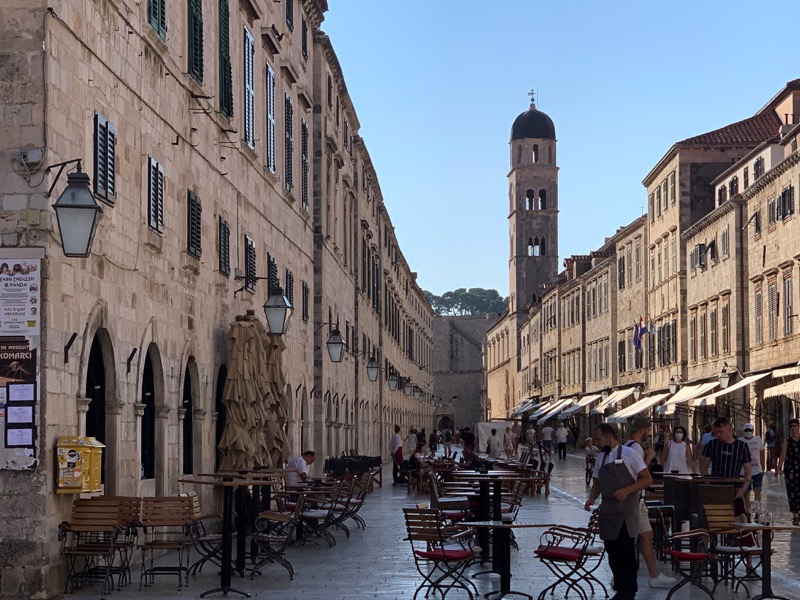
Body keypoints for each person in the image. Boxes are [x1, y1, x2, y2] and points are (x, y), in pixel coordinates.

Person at [585, 423, 652, 600]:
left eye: (598, 439)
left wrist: (627, 490)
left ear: (609, 437)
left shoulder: (630, 455)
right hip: (608, 511)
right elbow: (597, 483)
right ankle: (620, 589)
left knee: (625, 550)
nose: (596, 443)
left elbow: (646, 479)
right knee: (612, 550)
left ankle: (628, 592)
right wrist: (592, 497)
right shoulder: (601, 458)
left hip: (626, 511)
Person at [623, 416, 675, 588]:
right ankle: (652, 576)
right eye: (647, 430)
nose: (648, 434)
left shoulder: (627, 446)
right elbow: (639, 475)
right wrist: (650, 457)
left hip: (636, 500)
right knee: (643, 537)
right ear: (642, 430)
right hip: (636, 500)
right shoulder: (636, 448)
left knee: (645, 536)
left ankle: (650, 575)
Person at [700, 417, 751, 500]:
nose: (718, 434)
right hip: (715, 486)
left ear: (729, 429)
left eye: (721, 431)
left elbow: (748, 471)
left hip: (734, 487)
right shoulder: (711, 445)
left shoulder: (742, 446)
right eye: (716, 432)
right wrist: (708, 483)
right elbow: (703, 467)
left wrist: (743, 489)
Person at [776, 418, 800, 525]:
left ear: (798, 426)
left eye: (795, 425)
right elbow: (783, 454)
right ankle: (795, 515)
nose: (793, 428)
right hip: (790, 470)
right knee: (791, 492)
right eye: (791, 426)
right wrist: (778, 467)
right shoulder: (787, 441)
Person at [738, 422, 765, 503]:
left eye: (749, 430)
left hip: (757, 470)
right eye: (746, 430)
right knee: (746, 492)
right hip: (744, 471)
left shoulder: (758, 439)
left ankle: (757, 511)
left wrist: (763, 468)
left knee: (757, 490)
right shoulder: (740, 441)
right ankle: (747, 511)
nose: (748, 432)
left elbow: (762, 454)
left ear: (753, 431)